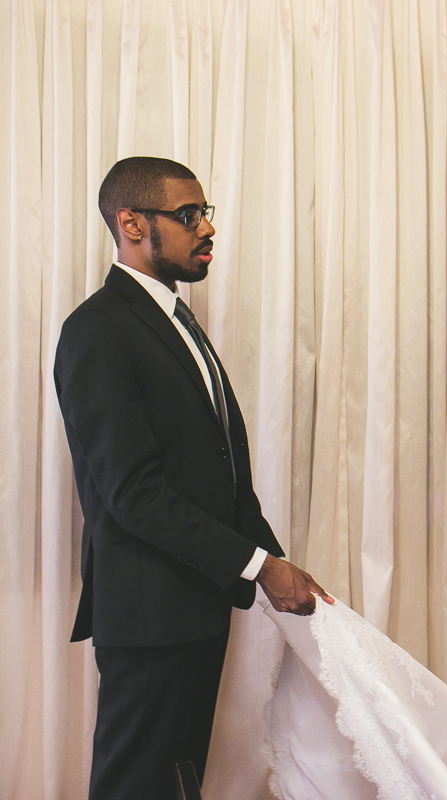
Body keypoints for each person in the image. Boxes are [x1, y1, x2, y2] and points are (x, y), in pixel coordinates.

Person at [54, 156, 332, 800]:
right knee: (134, 787)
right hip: (149, 615)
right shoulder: (98, 330)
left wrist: (276, 564)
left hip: (193, 607)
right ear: (131, 224)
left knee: (177, 785)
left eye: (205, 212)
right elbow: (134, 494)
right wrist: (260, 567)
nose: (206, 228)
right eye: (188, 215)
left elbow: (219, 472)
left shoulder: (175, 322)